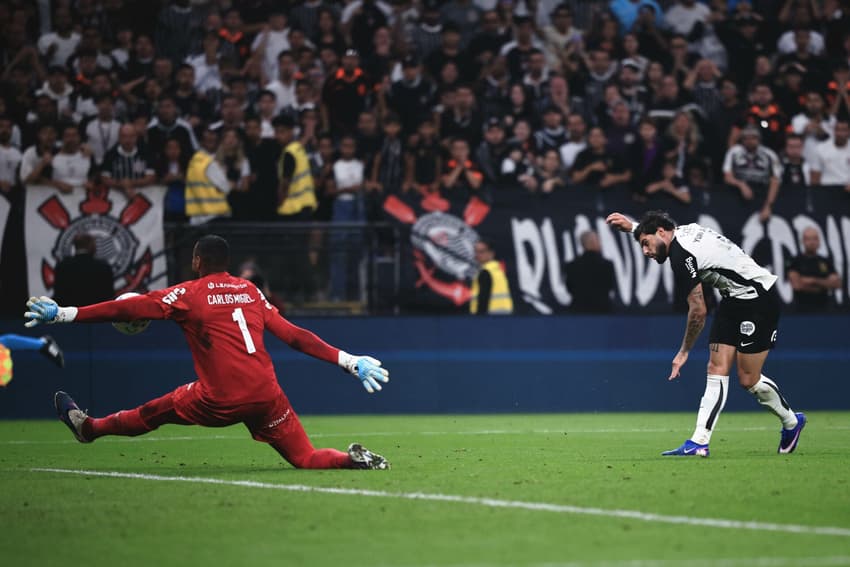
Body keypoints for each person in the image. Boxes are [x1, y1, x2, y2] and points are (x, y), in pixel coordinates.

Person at [24, 235, 390, 470]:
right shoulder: (249, 290)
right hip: (267, 395)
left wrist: (66, 313)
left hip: (221, 400)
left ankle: (89, 429)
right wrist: (348, 360)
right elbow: (294, 336)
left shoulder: (189, 294)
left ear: (197, 261)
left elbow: (129, 309)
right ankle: (351, 461)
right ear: (227, 262)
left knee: (154, 411)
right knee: (305, 457)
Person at [606, 210, 806, 457]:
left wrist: (683, 352)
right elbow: (659, 232)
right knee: (715, 369)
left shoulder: (680, 256)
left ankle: (792, 422)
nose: (645, 252)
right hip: (733, 301)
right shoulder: (682, 231)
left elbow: (699, 311)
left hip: (758, 301)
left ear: (660, 232)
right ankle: (699, 442)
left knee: (748, 379)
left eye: (645, 244)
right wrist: (634, 227)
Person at [786, 227, 842, 313]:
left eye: (815, 239)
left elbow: (837, 283)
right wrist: (824, 284)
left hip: (824, 310)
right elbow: (797, 285)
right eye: (808, 239)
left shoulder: (825, 262)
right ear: (803, 241)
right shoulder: (796, 261)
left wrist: (812, 281)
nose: (812, 242)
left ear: (819, 241)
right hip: (801, 311)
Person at [53, 233, 114, 307]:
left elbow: (59, 295)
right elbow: (108, 296)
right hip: (95, 314)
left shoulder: (63, 266)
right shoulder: (102, 267)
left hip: (70, 314)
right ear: (90, 245)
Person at [564, 231, 616, 313]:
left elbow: (569, 288)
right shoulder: (607, 265)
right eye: (598, 240)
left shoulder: (572, 266)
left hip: (578, 311)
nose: (600, 244)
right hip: (603, 311)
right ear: (593, 242)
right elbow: (610, 286)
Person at [469, 239, 513, 315]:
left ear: (491, 253)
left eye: (481, 252)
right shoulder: (497, 270)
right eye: (476, 251)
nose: (477, 255)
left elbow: (483, 299)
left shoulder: (485, 272)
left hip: (489, 317)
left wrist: (478, 319)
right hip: (505, 315)